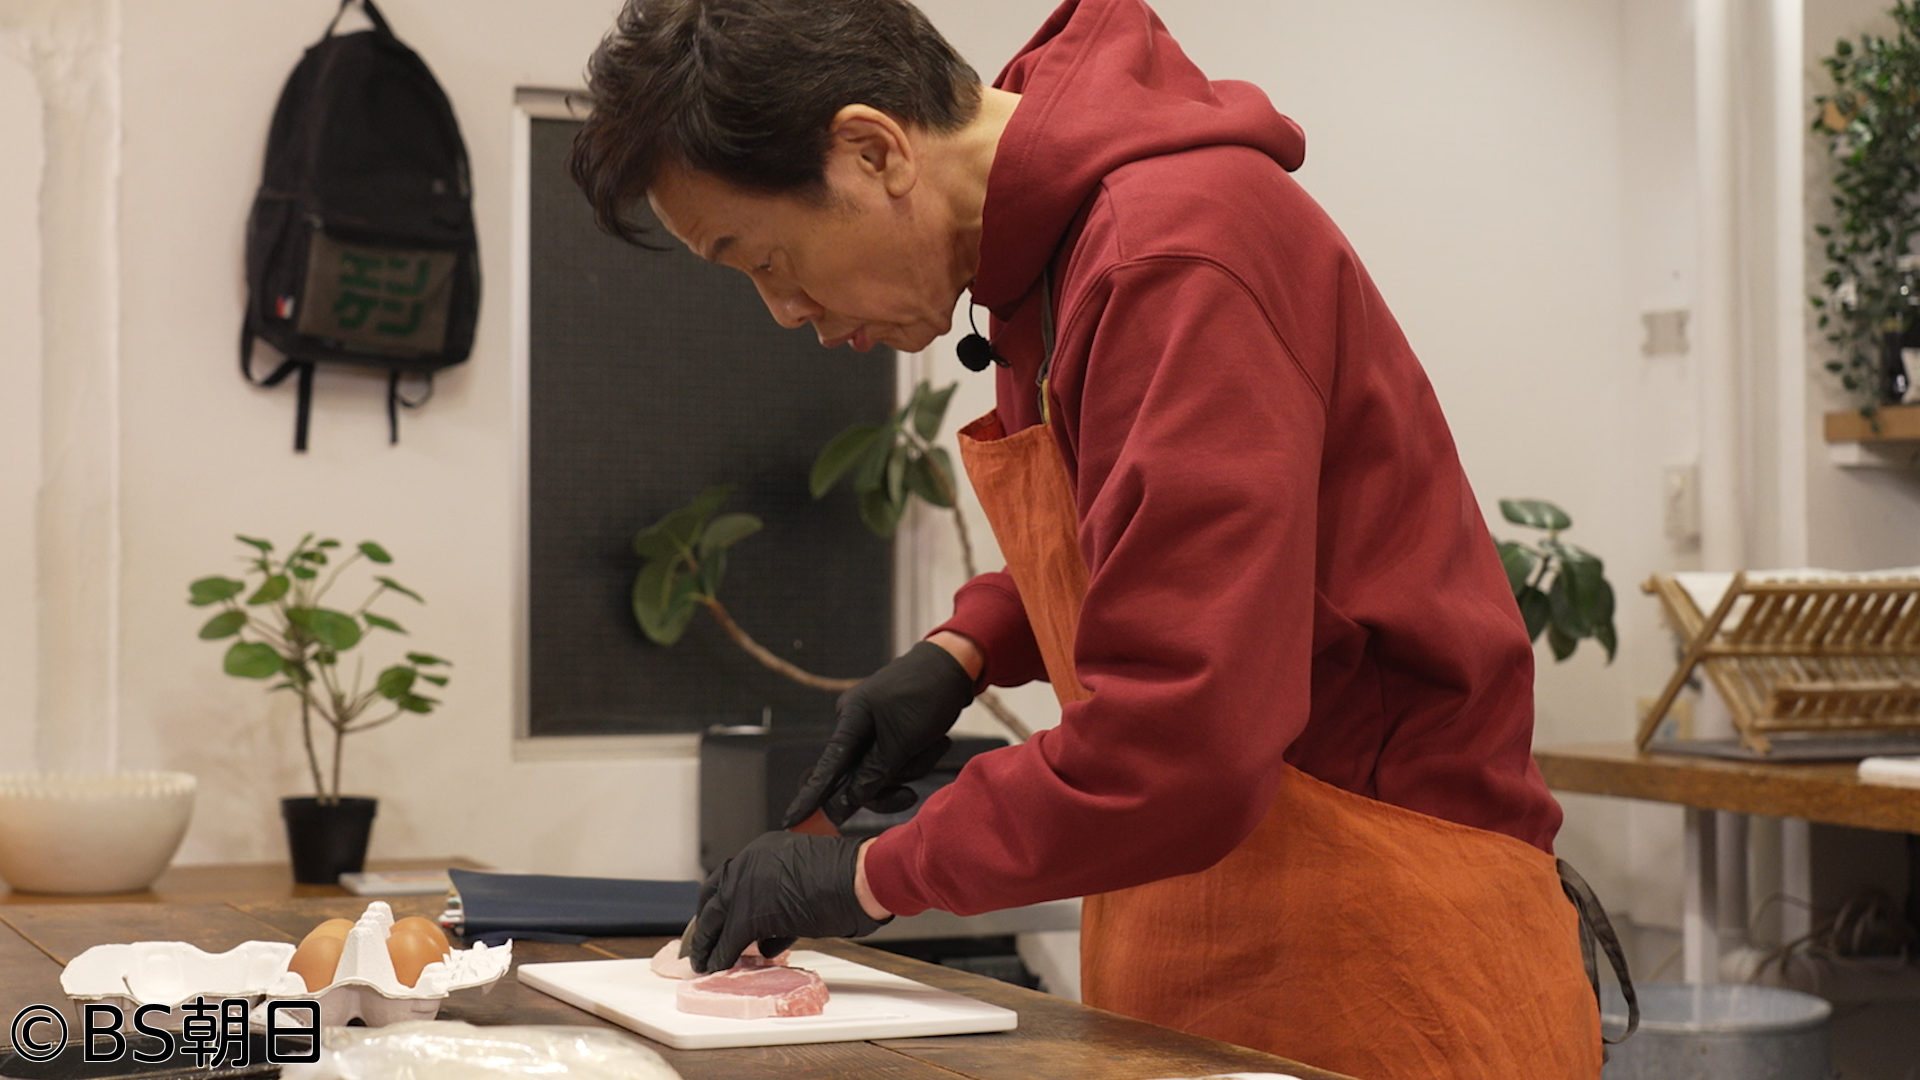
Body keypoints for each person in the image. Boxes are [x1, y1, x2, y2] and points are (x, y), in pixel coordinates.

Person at [570, 1, 1622, 1076]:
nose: (783, 310)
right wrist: (967, 647)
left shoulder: (1170, 253)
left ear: (872, 148)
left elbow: (1186, 736)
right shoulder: (1048, 257)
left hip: (1384, 960)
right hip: (1229, 933)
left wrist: (870, 873)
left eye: (766, 258)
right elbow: (1159, 535)